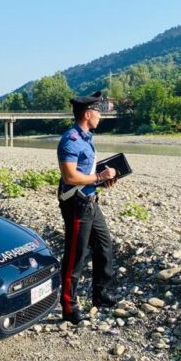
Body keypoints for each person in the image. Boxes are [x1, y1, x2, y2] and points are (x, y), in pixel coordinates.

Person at [56, 91, 120, 324]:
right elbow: (70, 176)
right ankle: (69, 306)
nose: (101, 116)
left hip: (91, 201)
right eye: (98, 112)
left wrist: (101, 180)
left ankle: (101, 295)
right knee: (76, 256)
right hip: (77, 204)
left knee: (104, 247)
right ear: (87, 114)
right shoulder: (70, 139)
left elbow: (86, 173)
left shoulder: (86, 137)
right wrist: (98, 176)